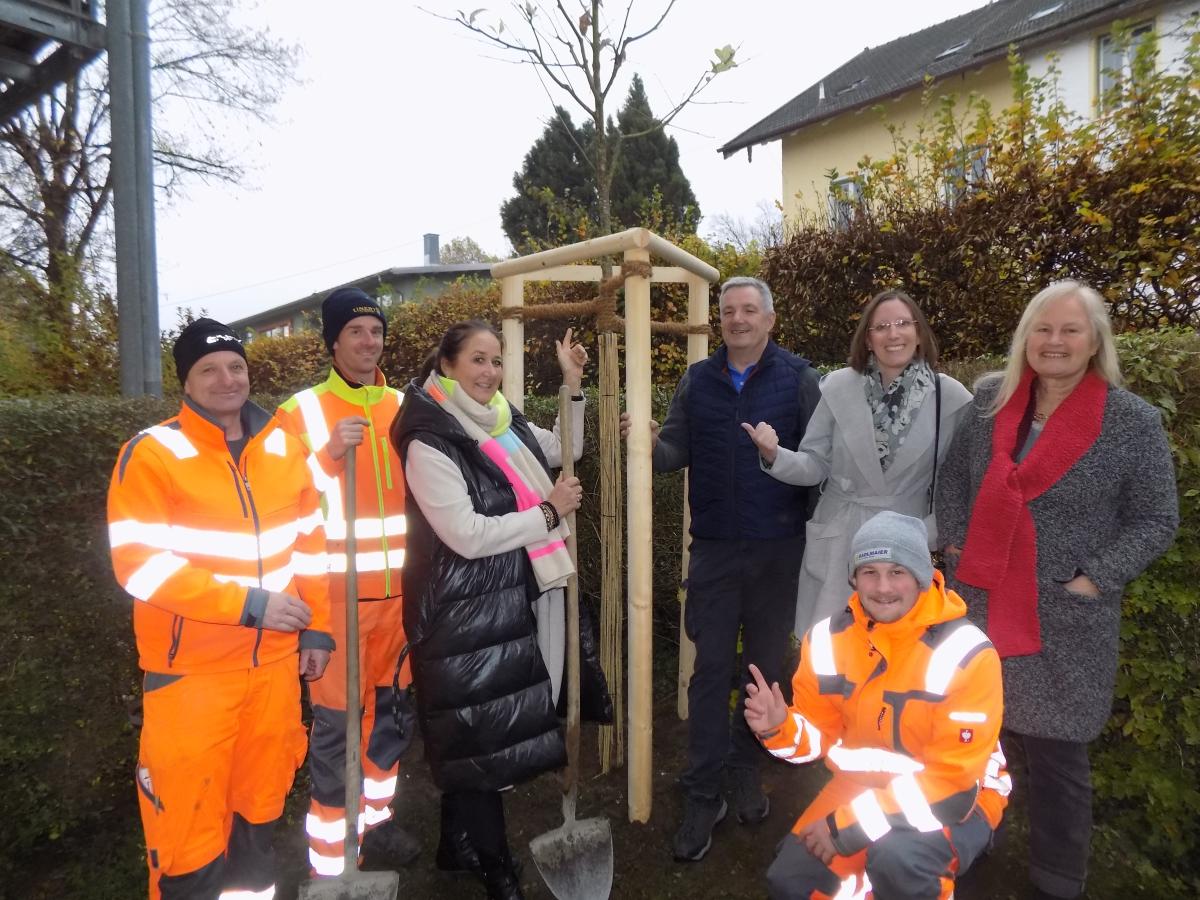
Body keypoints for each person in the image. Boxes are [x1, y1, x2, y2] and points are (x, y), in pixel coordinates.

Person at [935, 280, 1179, 899]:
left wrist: (1095, 578)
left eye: (1071, 329)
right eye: (1043, 329)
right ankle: (967, 845)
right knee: (973, 736)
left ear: (1095, 340)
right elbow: (953, 484)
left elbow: (1156, 518)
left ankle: (1056, 878)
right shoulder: (992, 400)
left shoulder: (1132, 422)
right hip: (982, 602)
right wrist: (960, 546)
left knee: (1057, 759)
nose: (1055, 341)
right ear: (1026, 338)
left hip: (1065, 619)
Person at [107, 318, 333, 899]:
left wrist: (317, 631)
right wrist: (251, 605)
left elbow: (311, 546)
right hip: (192, 680)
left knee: (258, 821)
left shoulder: (285, 447)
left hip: (275, 675)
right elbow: (141, 564)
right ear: (185, 381)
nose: (226, 379)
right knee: (187, 839)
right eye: (208, 369)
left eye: (235, 366)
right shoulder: (153, 453)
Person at [621, 275, 822, 861]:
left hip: (777, 551)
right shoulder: (698, 380)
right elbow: (674, 453)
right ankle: (702, 790)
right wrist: (648, 443)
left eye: (748, 310)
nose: (736, 319)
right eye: (728, 311)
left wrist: (809, 540)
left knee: (764, 673)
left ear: (769, 319)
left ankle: (742, 768)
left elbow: (816, 464)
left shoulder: (800, 379)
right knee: (709, 675)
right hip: (712, 549)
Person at [390, 321, 587, 900]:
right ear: (446, 365)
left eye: (496, 362)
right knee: (479, 737)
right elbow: (466, 534)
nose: (489, 373)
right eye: (477, 361)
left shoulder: (499, 417)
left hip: (502, 597)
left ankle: (457, 846)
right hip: (458, 611)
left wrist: (573, 386)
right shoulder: (429, 439)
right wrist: (549, 514)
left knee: (473, 731)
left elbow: (562, 449)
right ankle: (497, 869)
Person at [746, 511, 1010, 900]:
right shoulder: (827, 640)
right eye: (869, 571)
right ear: (853, 578)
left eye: (897, 571)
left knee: (899, 861)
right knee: (792, 881)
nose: (883, 587)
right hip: (862, 787)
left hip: (960, 797)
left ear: (921, 576)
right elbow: (818, 737)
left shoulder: (967, 653)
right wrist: (779, 728)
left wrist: (846, 827)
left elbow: (951, 786)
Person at [275, 287, 416, 876]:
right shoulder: (300, 413)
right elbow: (274, 497)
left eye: (375, 331)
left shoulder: (405, 405)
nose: (368, 341)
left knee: (389, 722)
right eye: (355, 331)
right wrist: (328, 455)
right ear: (333, 341)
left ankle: (374, 829)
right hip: (335, 605)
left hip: (401, 602)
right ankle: (332, 864)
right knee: (335, 734)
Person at [743, 289, 972, 638]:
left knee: (900, 657)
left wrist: (931, 532)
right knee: (831, 653)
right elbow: (815, 465)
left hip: (905, 546)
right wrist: (775, 455)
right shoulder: (837, 387)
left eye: (902, 324)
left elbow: (958, 485)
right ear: (867, 339)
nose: (893, 334)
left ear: (919, 332)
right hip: (840, 544)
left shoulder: (951, 398)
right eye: (881, 327)